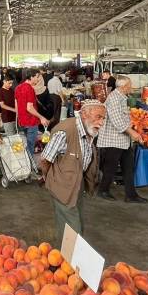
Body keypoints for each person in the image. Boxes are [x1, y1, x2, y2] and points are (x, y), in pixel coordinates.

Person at [39, 102, 108, 241]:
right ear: (84, 114)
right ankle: (67, 259)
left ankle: (67, 255)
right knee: (73, 227)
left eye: (103, 118)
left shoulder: (89, 128)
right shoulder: (65, 131)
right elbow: (45, 159)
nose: (101, 122)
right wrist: (48, 177)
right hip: (62, 183)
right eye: (98, 117)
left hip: (77, 181)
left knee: (78, 222)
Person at [97, 76, 146, 203]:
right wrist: (132, 133)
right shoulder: (114, 98)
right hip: (113, 140)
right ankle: (103, 190)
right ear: (123, 87)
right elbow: (117, 120)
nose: (131, 87)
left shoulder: (121, 98)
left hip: (123, 140)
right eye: (130, 85)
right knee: (110, 168)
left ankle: (131, 195)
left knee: (128, 167)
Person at [15, 70, 50, 159]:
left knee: (21, 146)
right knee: (30, 146)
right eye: (37, 77)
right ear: (31, 77)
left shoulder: (18, 87)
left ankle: (23, 165)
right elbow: (29, 107)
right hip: (31, 122)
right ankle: (30, 168)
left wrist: (19, 118)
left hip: (21, 121)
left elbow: (16, 106)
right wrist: (41, 117)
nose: (38, 80)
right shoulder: (30, 89)